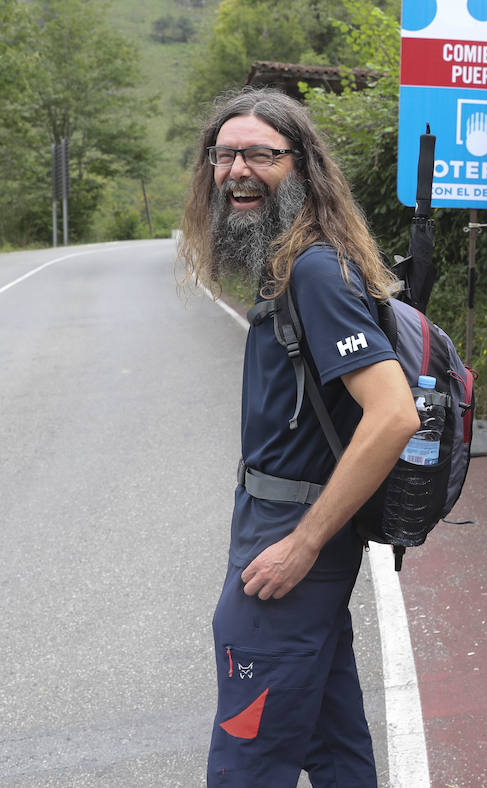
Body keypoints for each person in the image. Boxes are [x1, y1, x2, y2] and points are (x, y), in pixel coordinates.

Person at [178, 86, 419, 787]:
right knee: (331, 739)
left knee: (248, 759)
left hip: (290, 545)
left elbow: (393, 414)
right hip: (275, 531)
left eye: (260, 154)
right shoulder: (286, 266)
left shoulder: (314, 270)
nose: (236, 171)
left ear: (303, 166)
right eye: (224, 155)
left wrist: (304, 542)